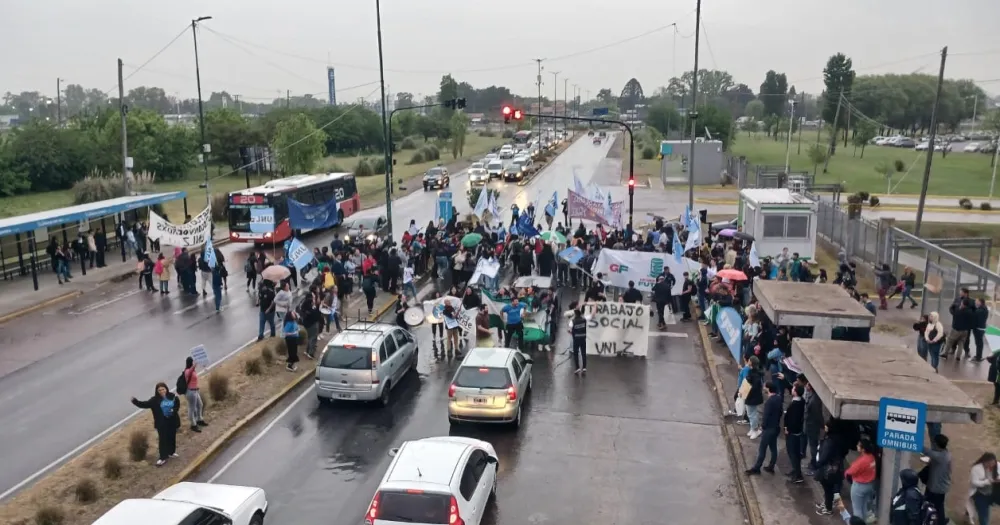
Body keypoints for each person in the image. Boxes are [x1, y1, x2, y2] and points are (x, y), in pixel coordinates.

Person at [130, 382, 181, 467]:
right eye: (159, 390)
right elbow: (145, 404)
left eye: (163, 389)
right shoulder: (154, 400)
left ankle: (171, 452)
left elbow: (177, 405)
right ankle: (163, 457)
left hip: (172, 421)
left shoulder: (172, 396)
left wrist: (173, 410)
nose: (161, 391)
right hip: (161, 423)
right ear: (157, 391)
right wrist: (135, 402)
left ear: (166, 389)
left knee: (172, 437)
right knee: (163, 440)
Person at [746, 381, 782, 475]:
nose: (763, 388)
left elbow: (766, 416)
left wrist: (762, 427)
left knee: (762, 449)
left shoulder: (769, 402)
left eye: (765, 387)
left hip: (768, 429)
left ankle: (756, 468)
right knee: (773, 448)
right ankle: (771, 466)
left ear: (768, 389)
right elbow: (780, 413)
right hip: (776, 428)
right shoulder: (778, 399)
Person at [845, 438, 878, 521]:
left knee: (857, 510)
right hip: (869, 485)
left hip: (859, 486)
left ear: (863, 449)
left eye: (858, 445)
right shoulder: (871, 457)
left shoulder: (862, 461)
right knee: (863, 508)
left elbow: (850, 472)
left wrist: (847, 475)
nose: (857, 446)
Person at [923, 433, 951, 524]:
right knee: (939, 505)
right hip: (941, 487)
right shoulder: (946, 453)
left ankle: (936, 520)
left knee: (930, 504)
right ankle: (940, 520)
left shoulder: (939, 456)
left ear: (936, 444)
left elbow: (925, 451)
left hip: (936, 488)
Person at [783, 384, 806, 483]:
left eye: (793, 389)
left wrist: (788, 428)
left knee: (793, 453)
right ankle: (795, 470)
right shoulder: (800, 401)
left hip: (792, 433)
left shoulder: (795, 405)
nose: (791, 389)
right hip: (795, 432)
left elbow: (794, 420)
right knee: (794, 453)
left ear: (795, 392)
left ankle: (798, 475)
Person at [968, 452, 997, 525]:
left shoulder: (994, 467)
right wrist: (987, 481)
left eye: (994, 463)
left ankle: (968, 513)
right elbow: (974, 482)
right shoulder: (976, 469)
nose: (993, 465)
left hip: (990, 492)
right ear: (985, 461)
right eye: (991, 463)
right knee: (984, 515)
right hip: (979, 494)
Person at [180, 357, 208, 433]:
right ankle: (193, 424)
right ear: (190, 363)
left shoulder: (193, 371)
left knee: (200, 405)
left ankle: (199, 419)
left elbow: (193, 380)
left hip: (195, 391)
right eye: (192, 362)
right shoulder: (187, 371)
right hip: (190, 392)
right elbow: (190, 372)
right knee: (192, 408)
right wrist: (194, 365)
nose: (193, 363)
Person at [569, 305, 588, 374]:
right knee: (583, 353)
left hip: (576, 339)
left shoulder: (572, 321)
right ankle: (584, 367)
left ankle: (577, 368)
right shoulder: (584, 320)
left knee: (576, 353)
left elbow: (570, 330)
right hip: (583, 338)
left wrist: (570, 331)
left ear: (575, 314)